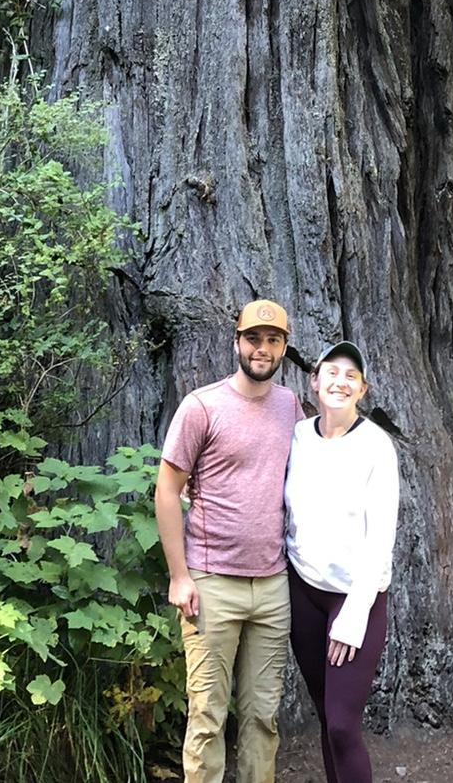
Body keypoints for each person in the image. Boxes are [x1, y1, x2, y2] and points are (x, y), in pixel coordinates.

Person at [155, 299, 304, 783]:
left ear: (283, 348)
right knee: (207, 716)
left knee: (263, 716)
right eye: (254, 339)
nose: (263, 349)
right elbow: (167, 489)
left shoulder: (291, 407)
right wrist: (180, 575)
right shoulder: (203, 406)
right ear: (237, 341)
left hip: (272, 584)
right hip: (211, 581)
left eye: (273, 340)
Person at [283, 341, 400, 783]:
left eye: (351, 376)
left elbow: (379, 539)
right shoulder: (297, 437)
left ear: (362, 390)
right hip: (304, 593)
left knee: (342, 725)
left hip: (355, 600)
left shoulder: (375, 447)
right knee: (324, 716)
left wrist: (352, 617)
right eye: (331, 372)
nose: (340, 381)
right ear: (314, 382)